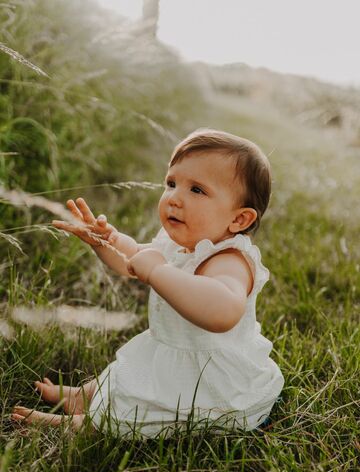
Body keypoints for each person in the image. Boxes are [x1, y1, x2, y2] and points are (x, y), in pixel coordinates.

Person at [11, 128, 284, 437]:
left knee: (148, 413)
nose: (175, 198)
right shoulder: (178, 244)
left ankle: (87, 425)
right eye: (171, 183)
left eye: (197, 190)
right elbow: (133, 261)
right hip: (170, 353)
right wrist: (107, 241)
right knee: (126, 374)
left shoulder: (229, 260)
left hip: (208, 381)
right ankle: (83, 397)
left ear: (238, 220)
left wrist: (158, 272)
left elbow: (223, 311)